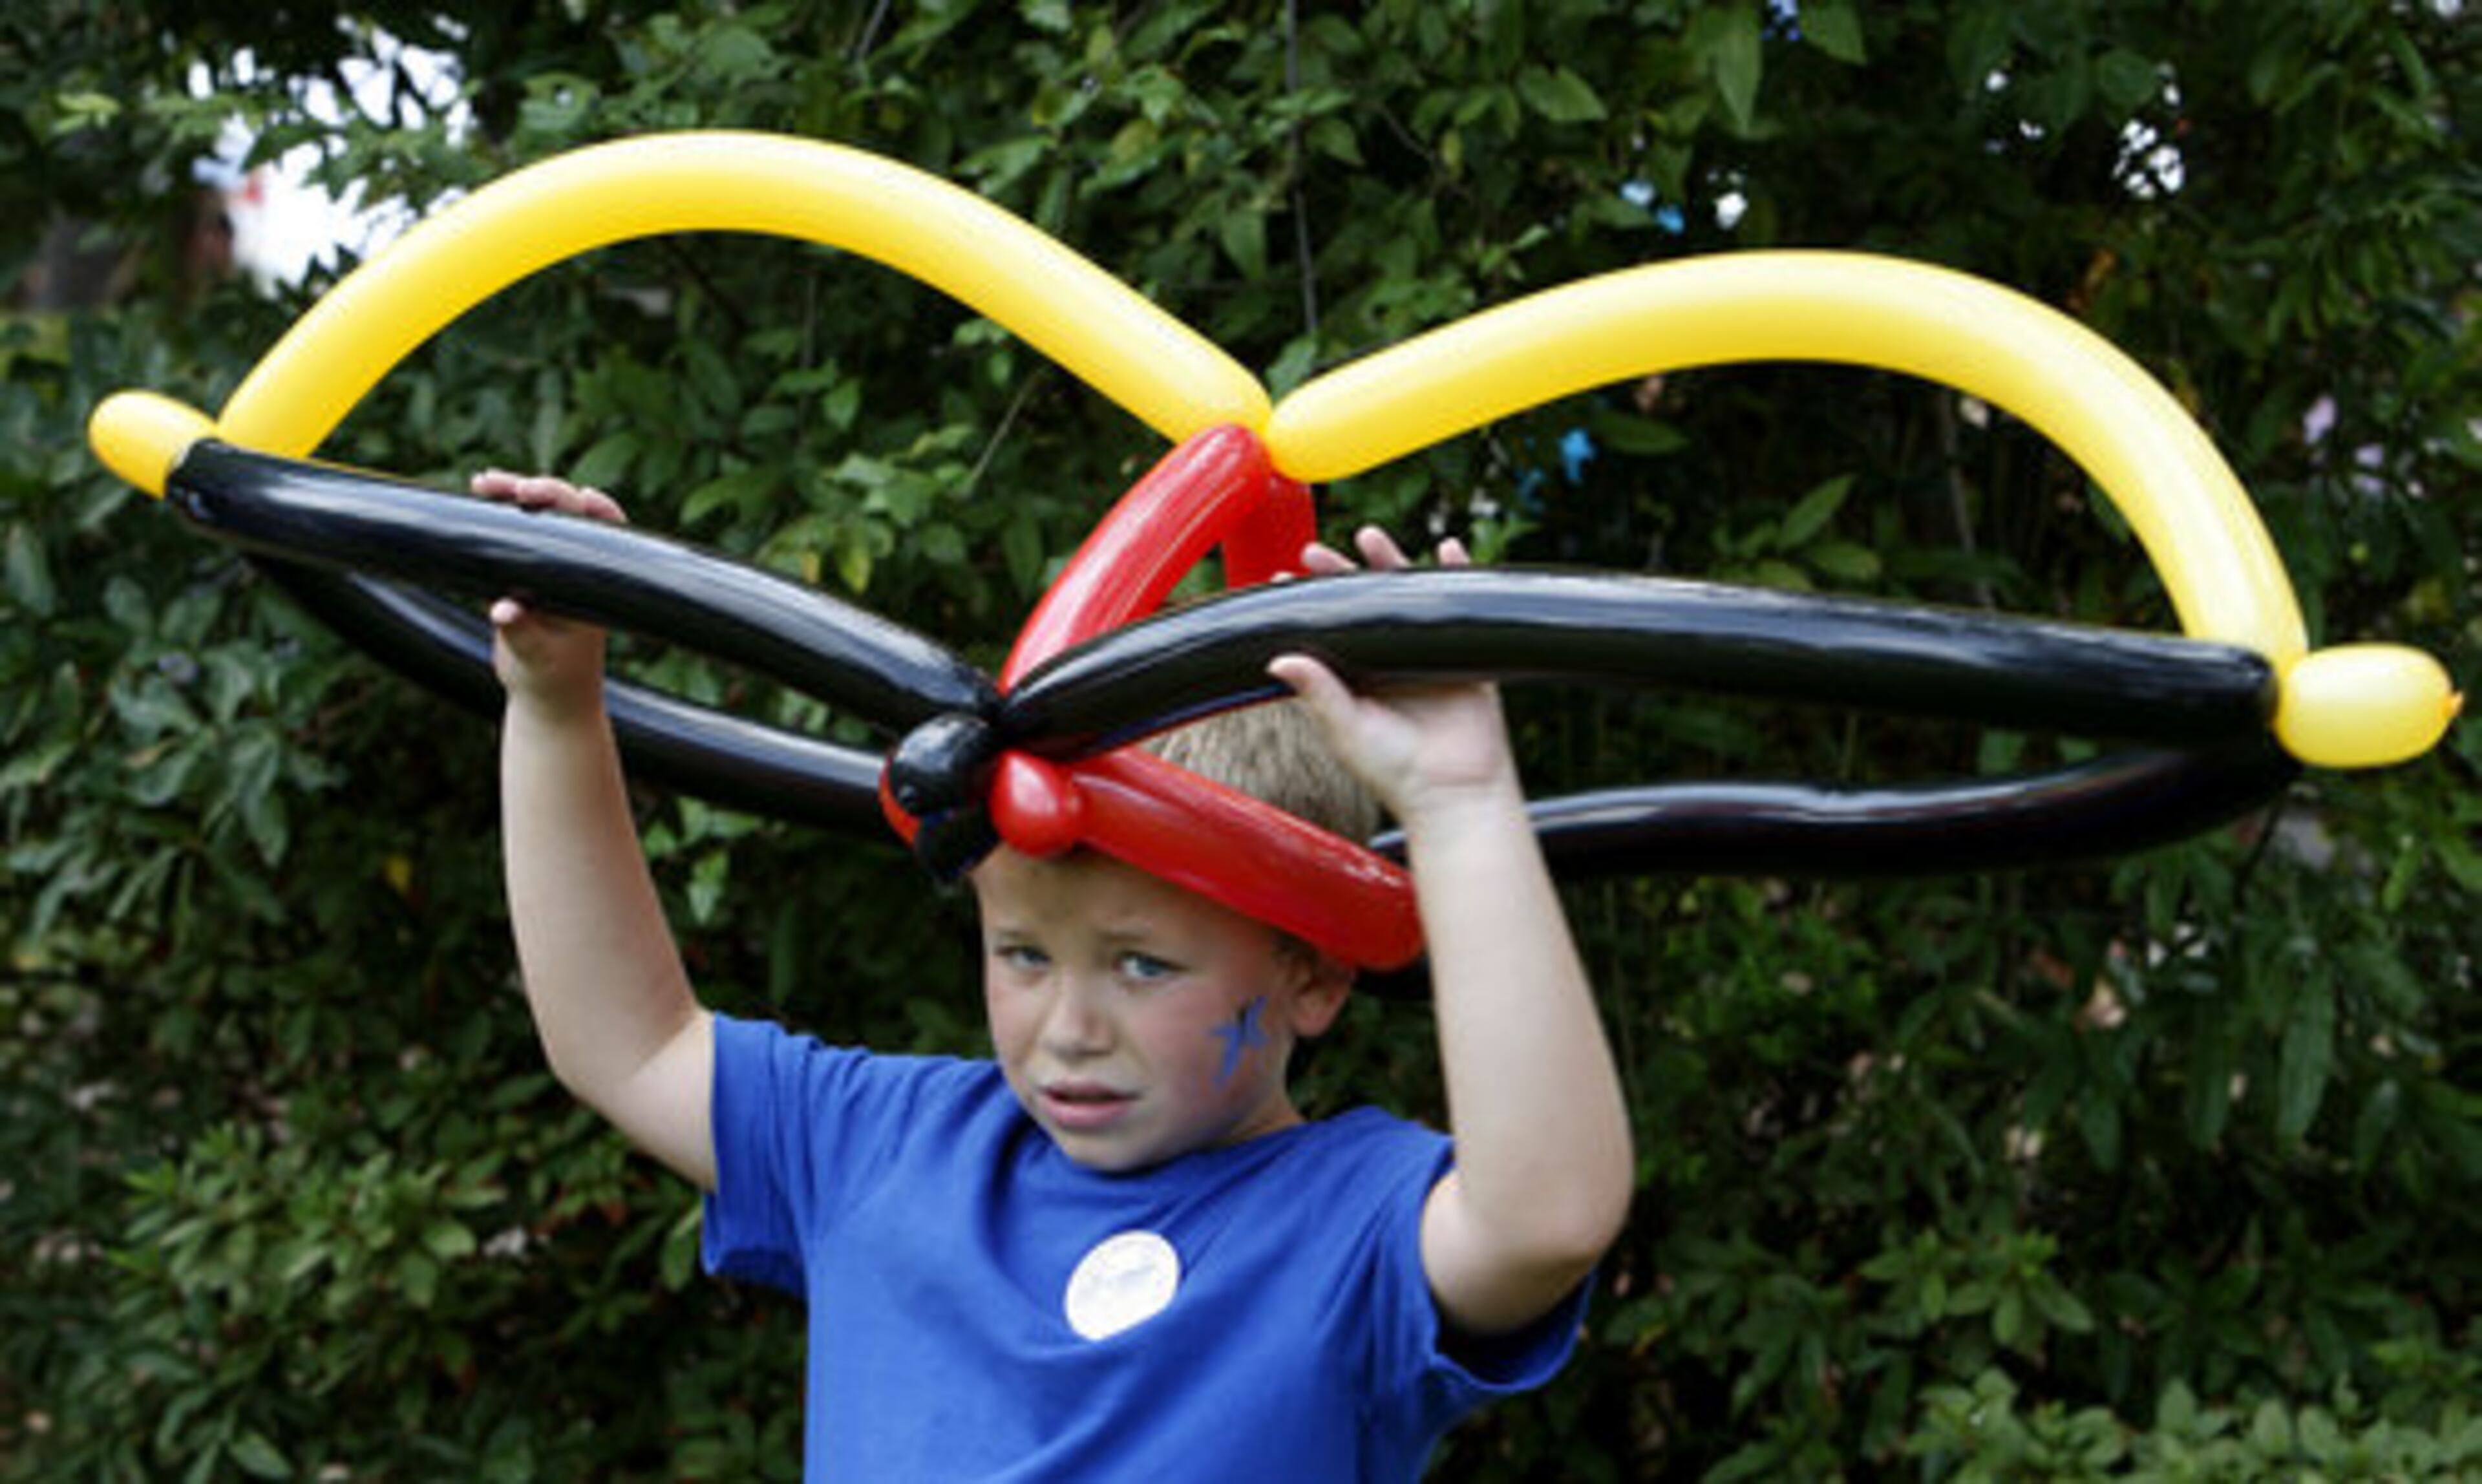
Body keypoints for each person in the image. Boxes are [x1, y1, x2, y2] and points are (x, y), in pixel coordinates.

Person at [473, 469, 1635, 1480]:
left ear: (1316, 977)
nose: (1070, 1027)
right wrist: (558, 704)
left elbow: (1547, 1218)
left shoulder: (1346, 1226)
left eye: (1142, 964)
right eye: (1024, 955)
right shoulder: (889, 1148)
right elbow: (625, 1044)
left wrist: (1461, 802)